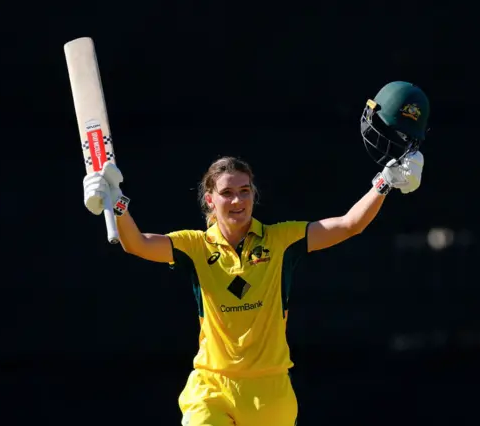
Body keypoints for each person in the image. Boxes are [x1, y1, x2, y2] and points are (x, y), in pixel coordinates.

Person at [81, 80, 429, 426]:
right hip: (212, 388)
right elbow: (137, 243)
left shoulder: (280, 240)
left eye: (245, 191)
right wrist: (117, 203)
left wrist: (385, 183)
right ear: (210, 200)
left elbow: (349, 224)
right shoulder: (195, 246)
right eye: (228, 193)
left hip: (270, 391)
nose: (238, 200)